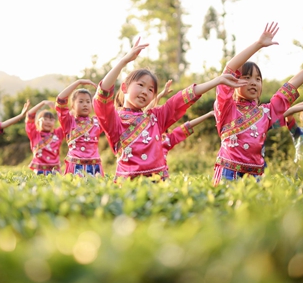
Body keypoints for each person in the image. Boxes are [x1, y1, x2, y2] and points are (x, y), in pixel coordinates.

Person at [93, 37, 247, 181]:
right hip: (128, 187)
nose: (145, 92)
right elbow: (102, 97)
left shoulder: (156, 117)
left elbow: (181, 99)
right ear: (125, 88)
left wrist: (216, 81)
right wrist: (124, 61)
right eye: (140, 85)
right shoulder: (115, 121)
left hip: (159, 185)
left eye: (150, 90)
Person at [212, 22, 303, 185]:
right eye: (247, 77)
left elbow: (289, 87)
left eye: (258, 79)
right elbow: (229, 68)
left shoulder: (266, 113)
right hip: (228, 174)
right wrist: (258, 44)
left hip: (256, 177)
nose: (253, 82)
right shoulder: (226, 107)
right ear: (234, 82)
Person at [56, 79, 104, 176]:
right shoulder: (68, 122)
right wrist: (78, 82)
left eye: (88, 101)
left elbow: (109, 112)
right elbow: (60, 100)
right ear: (72, 105)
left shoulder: (97, 122)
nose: (85, 104)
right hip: (75, 166)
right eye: (81, 101)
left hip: (95, 167)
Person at [161, 111, 215, 175]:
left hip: (162, 177)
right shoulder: (146, 135)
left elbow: (188, 126)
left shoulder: (168, 139)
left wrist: (209, 114)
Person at [25, 100, 65, 175]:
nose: (48, 122)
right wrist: (42, 103)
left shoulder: (58, 134)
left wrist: (58, 108)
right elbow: (29, 115)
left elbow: (66, 118)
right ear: (38, 122)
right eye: (45, 119)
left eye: (51, 120)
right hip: (39, 171)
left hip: (55, 171)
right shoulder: (34, 134)